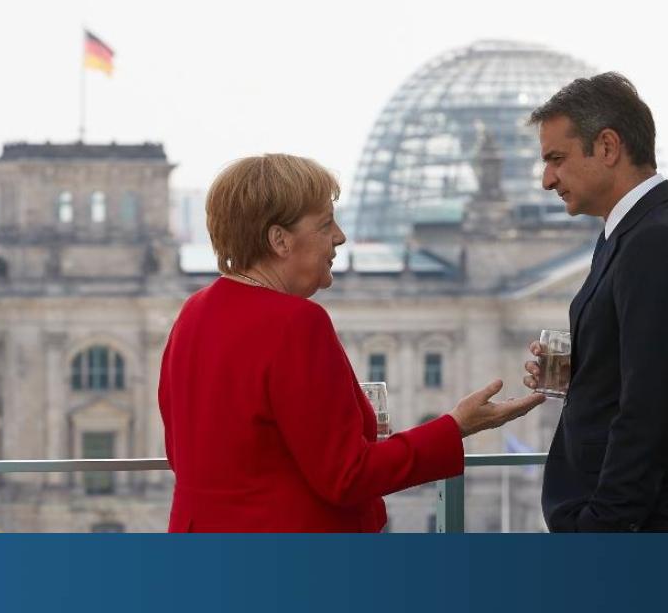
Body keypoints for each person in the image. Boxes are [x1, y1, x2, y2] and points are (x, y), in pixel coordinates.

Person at [159, 154, 545, 532]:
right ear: (280, 240)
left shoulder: (194, 312)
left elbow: (183, 454)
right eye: (325, 224)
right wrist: (455, 427)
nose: (340, 237)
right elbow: (347, 476)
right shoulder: (295, 322)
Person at [523, 73, 668, 532]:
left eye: (556, 159)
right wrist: (587, 371)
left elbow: (649, 415)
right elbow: (644, 372)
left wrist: (601, 531)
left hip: (645, 535)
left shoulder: (660, 242)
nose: (547, 180)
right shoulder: (630, 235)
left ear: (608, 147)